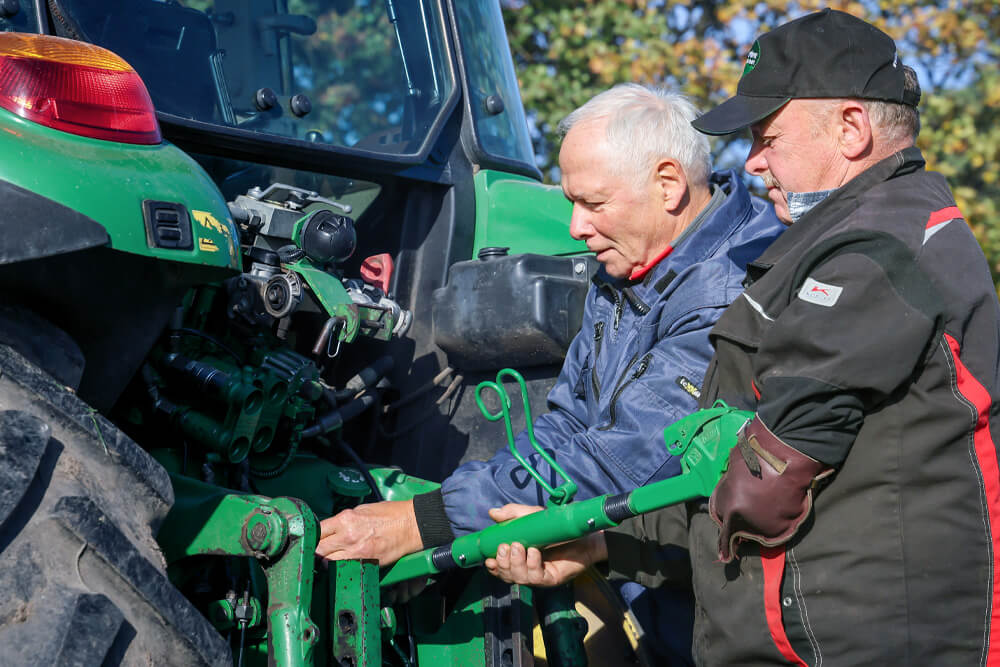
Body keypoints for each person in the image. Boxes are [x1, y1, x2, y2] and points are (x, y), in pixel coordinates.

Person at [487, 9, 1000, 665]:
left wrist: (595, 533)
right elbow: (733, 473)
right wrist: (603, 546)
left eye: (769, 137)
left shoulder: (876, 254)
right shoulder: (840, 246)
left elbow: (758, 485)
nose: (753, 162)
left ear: (852, 127)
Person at [317, 84, 782, 659]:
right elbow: (568, 425)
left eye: (593, 203)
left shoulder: (736, 288)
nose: (574, 228)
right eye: (570, 203)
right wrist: (477, 518)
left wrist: (425, 522)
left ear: (667, 185)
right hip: (655, 575)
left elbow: (630, 459)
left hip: (738, 612)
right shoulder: (626, 273)